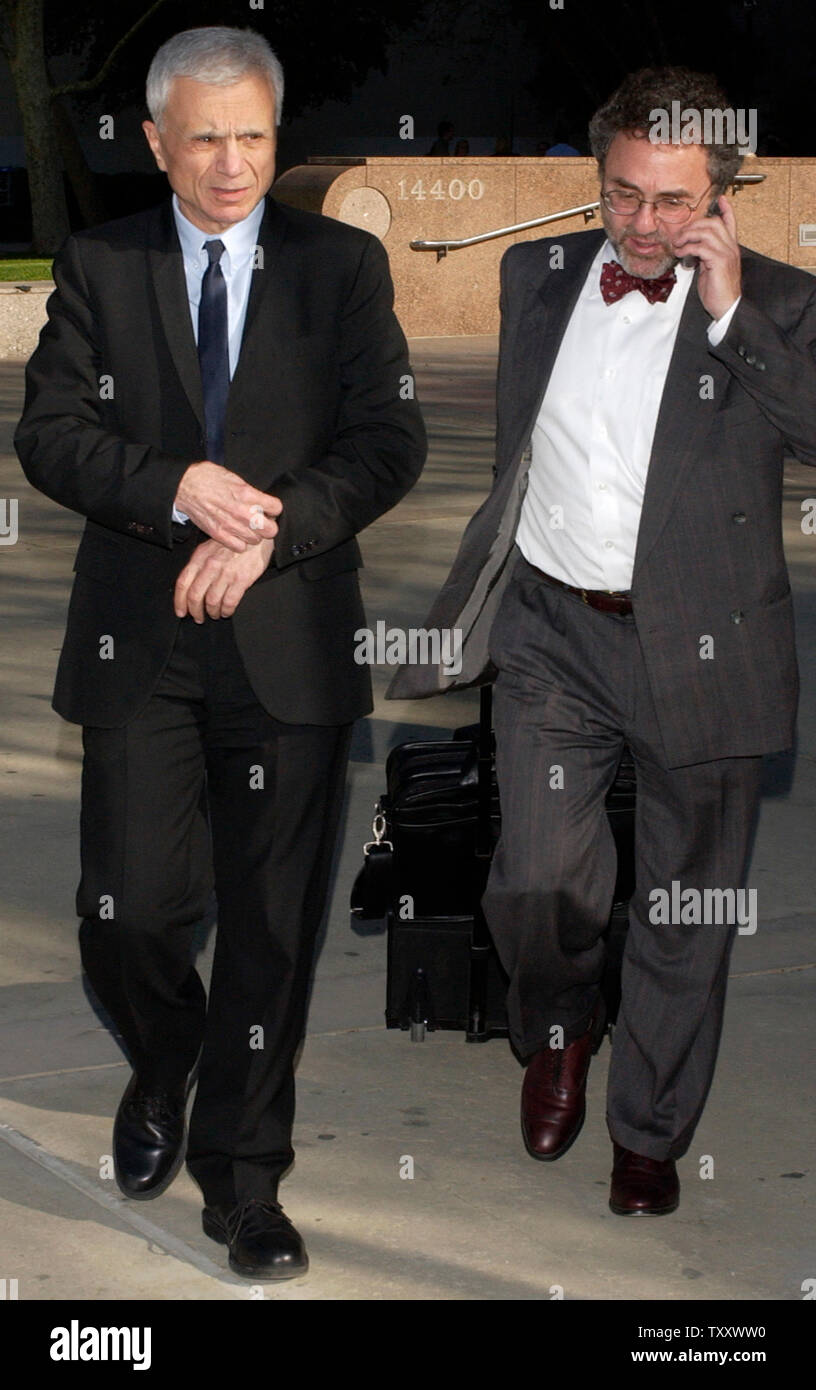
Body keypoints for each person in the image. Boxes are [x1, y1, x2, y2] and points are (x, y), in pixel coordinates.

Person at [16, 25, 425, 1278]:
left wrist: (274, 532)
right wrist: (176, 485)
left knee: (270, 930)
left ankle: (245, 1183)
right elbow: (47, 435)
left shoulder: (341, 266)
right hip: (141, 642)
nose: (234, 162)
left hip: (289, 644)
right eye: (206, 137)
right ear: (154, 142)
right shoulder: (99, 262)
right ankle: (167, 1057)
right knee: (132, 912)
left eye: (254, 134)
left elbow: (386, 438)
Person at [387, 66, 816, 1216]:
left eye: (675, 201)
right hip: (554, 637)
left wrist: (731, 317)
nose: (645, 223)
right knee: (534, 879)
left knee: (686, 910)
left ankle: (651, 1133)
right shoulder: (538, 276)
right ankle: (560, 1025)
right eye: (625, 194)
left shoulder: (779, 302)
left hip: (706, 652)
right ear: (600, 183)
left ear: (723, 196)